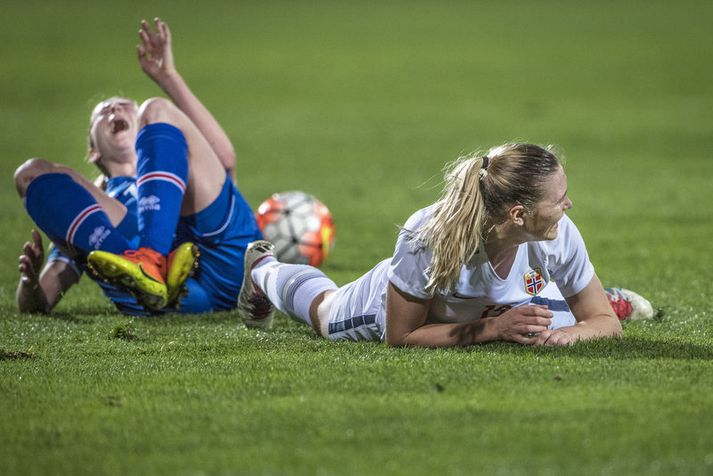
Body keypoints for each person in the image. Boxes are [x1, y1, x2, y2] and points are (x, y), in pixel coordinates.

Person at [237, 143, 653, 346]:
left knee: (545, 318)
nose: (569, 205)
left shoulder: (559, 234)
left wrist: (576, 333)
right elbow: (402, 337)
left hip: (504, 302)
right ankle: (264, 271)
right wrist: (491, 329)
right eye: (558, 200)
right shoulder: (429, 237)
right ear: (518, 215)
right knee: (325, 313)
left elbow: (603, 324)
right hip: (391, 305)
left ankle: (569, 303)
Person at [15, 18, 262, 315]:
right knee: (32, 173)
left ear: (146, 128)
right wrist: (29, 285)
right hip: (174, 299)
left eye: (123, 105)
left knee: (157, 107)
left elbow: (226, 161)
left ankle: (149, 260)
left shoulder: (170, 142)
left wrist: (168, 76)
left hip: (223, 260)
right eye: (104, 112)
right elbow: (40, 301)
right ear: (93, 151)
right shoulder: (85, 211)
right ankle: (142, 270)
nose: (115, 109)